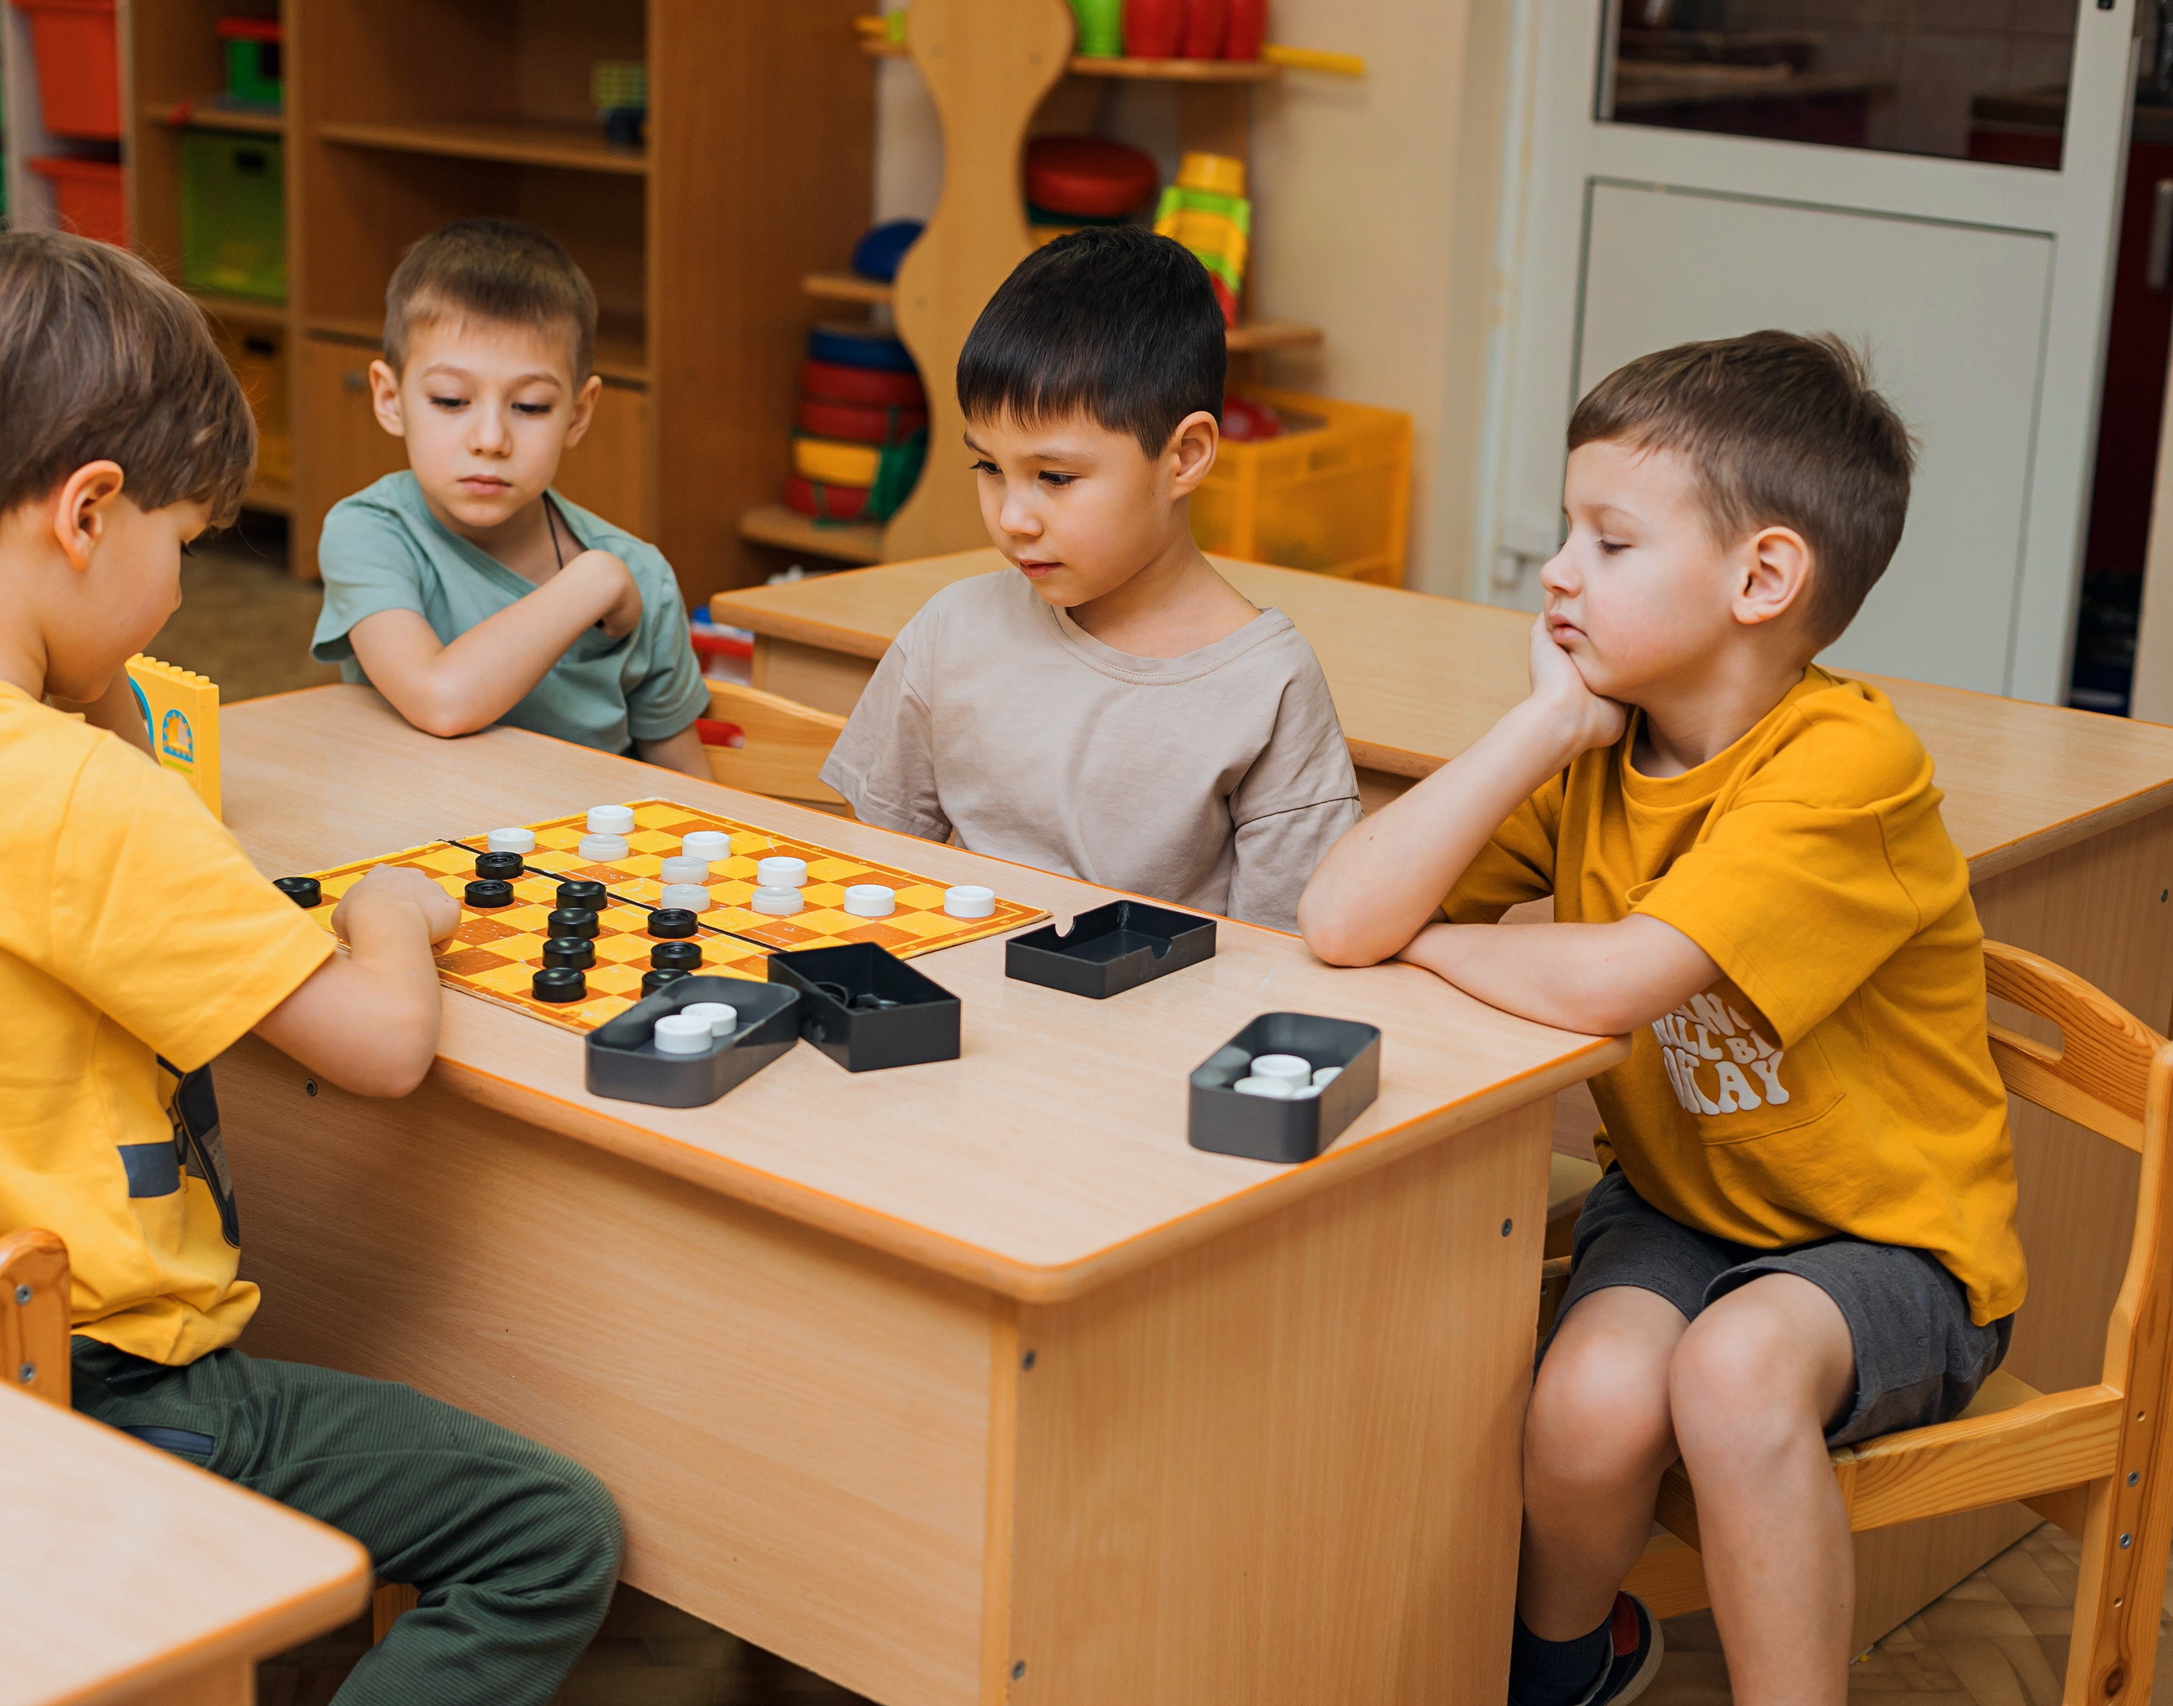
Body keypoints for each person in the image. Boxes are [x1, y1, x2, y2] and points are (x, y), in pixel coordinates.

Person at [0, 228, 621, 1706]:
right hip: (111, 1385)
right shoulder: (75, 798)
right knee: (549, 1531)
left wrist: (88, 701)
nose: (173, 596)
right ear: (89, 512)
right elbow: (381, 1046)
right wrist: (388, 916)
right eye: (182, 546)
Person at [1300, 332, 2022, 1706]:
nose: (1556, 569)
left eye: (1611, 540)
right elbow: (1340, 917)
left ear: (1762, 579)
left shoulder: (1848, 764)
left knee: (1734, 1370)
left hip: (1895, 1242)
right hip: (1684, 1206)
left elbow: (1618, 980)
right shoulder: (1601, 736)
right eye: (1567, 529)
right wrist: (1537, 727)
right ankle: (1565, 1667)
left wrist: (1434, 941)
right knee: (1585, 1405)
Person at [819, 227, 1361, 931]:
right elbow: (871, 877)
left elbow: (1282, 955)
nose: (1013, 518)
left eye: (1055, 477)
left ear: (1185, 457)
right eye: (989, 467)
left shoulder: (1267, 685)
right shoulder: (952, 628)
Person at [311, 218, 710, 774]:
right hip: (414, 823)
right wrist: (592, 582)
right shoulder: (369, 532)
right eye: (451, 400)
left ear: (579, 414)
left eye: (529, 407)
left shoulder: (643, 576)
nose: (491, 440)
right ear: (390, 399)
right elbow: (440, 701)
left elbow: (687, 785)